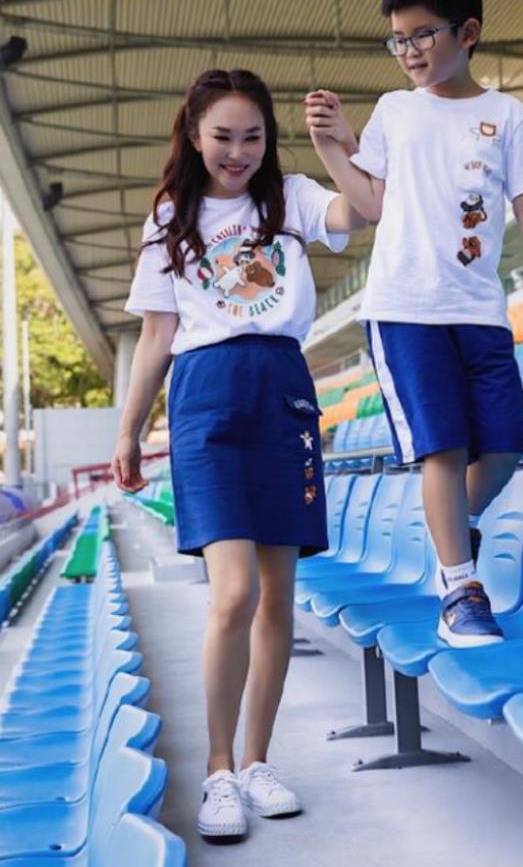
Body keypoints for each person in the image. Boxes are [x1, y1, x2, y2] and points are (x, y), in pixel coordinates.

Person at [111, 68, 366, 842]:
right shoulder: (171, 216)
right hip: (205, 396)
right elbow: (156, 335)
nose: (237, 151)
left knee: (277, 596)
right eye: (222, 136)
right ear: (194, 136)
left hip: (282, 390)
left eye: (252, 136)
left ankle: (257, 761)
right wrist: (128, 431)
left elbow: (365, 208)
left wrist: (339, 144)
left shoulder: (289, 195)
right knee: (233, 594)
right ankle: (218, 771)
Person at [304, 0, 523, 649]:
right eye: (397, 39)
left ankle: (451, 528)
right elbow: (370, 205)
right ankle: (460, 591)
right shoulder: (395, 111)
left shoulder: (507, 116)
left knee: (503, 447)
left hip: (479, 310)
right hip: (405, 309)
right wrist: (331, 147)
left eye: (422, 34)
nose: (409, 51)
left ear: (467, 32)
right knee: (443, 449)